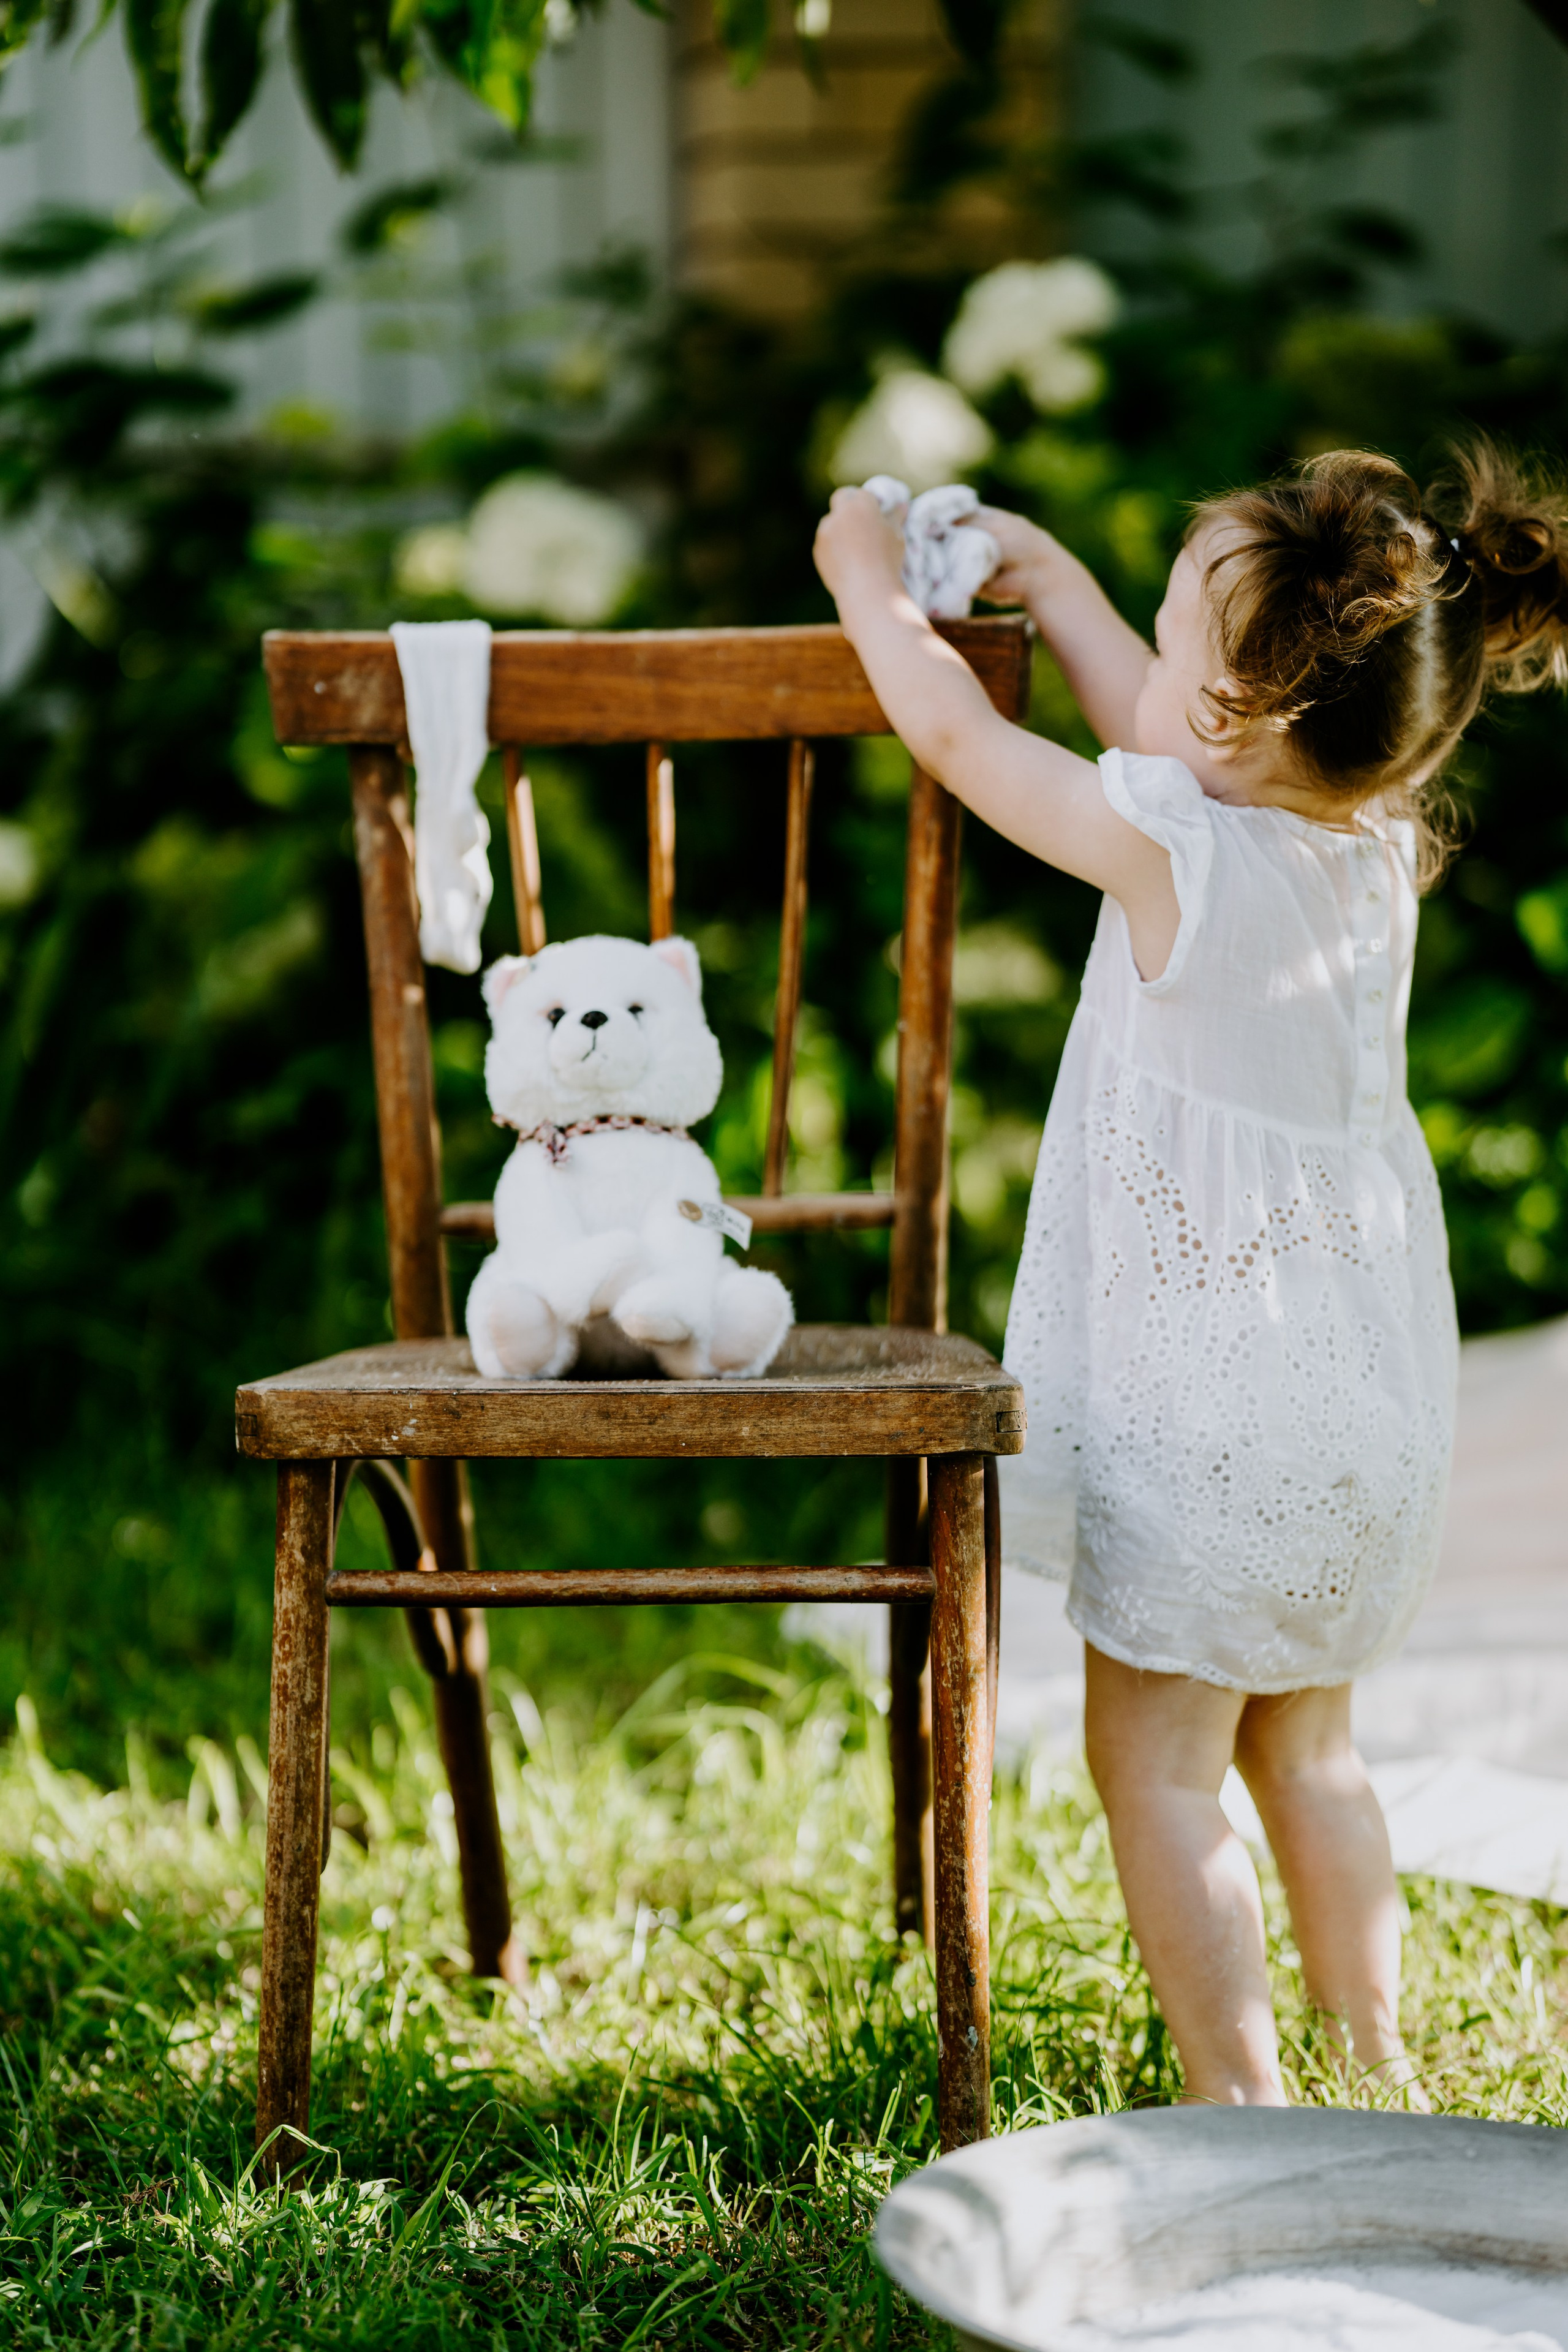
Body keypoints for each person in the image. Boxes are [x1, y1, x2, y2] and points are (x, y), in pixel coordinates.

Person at [814, 444, 1568, 2107]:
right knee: (1310, 1748)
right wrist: (1059, 584)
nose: (1142, 669)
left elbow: (961, 740)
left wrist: (868, 580)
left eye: (1163, 639)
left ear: (1240, 716)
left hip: (1213, 1415)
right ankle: (1377, 2060)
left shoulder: (1176, 855)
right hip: (1362, 1405)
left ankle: (1244, 2102)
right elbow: (1183, 736)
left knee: (1157, 1770)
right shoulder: (1374, 847)